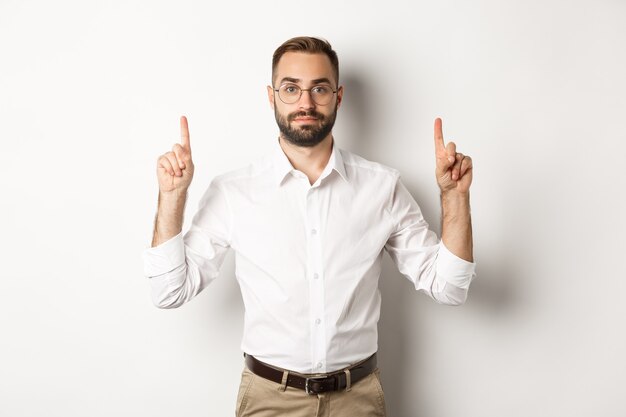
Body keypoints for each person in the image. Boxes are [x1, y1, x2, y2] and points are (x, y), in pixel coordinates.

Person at [143, 36, 475, 417]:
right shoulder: (233, 192)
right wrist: (172, 197)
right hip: (270, 400)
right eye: (291, 88)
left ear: (338, 95)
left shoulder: (382, 187)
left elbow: (448, 288)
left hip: (358, 400)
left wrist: (454, 197)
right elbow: (169, 292)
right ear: (271, 97)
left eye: (319, 88)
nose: (305, 103)